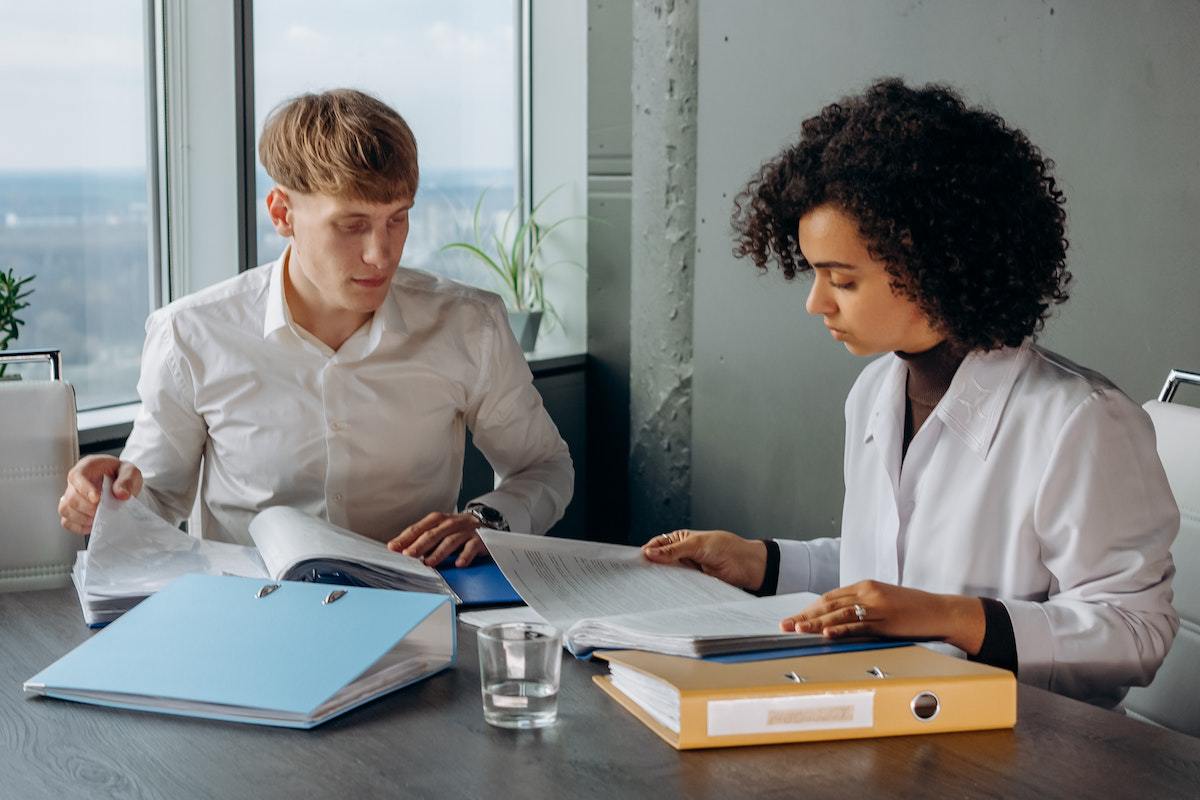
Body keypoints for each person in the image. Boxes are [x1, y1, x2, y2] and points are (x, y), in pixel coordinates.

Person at [643, 78, 1178, 707]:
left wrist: (949, 617)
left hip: (1025, 746)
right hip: (893, 718)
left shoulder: (1081, 421)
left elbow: (1136, 632)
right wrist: (761, 562)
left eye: (840, 280)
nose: (815, 303)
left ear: (928, 265)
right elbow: (891, 576)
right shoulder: (874, 391)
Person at [58, 88, 573, 567]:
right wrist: (106, 498)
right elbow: (155, 499)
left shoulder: (468, 325)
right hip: (248, 616)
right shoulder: (191, 335)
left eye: (398, 218)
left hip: (420, 611)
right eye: (352, 225)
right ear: (283, 212)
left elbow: (544, 467)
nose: (382, 253)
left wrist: (486, 521)